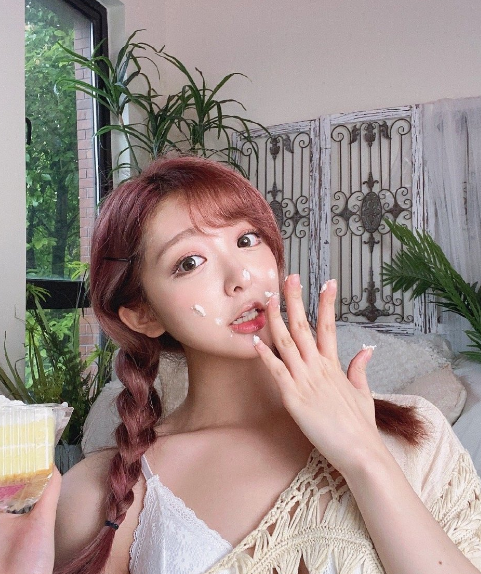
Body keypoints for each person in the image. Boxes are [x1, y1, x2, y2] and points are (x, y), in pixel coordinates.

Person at [1, 155, 480, 574]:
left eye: (247, 239)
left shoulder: (417, 431)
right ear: (143, 314)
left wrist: (364, 455)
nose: (241, 276)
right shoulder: (105, 494)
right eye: (190, 262)